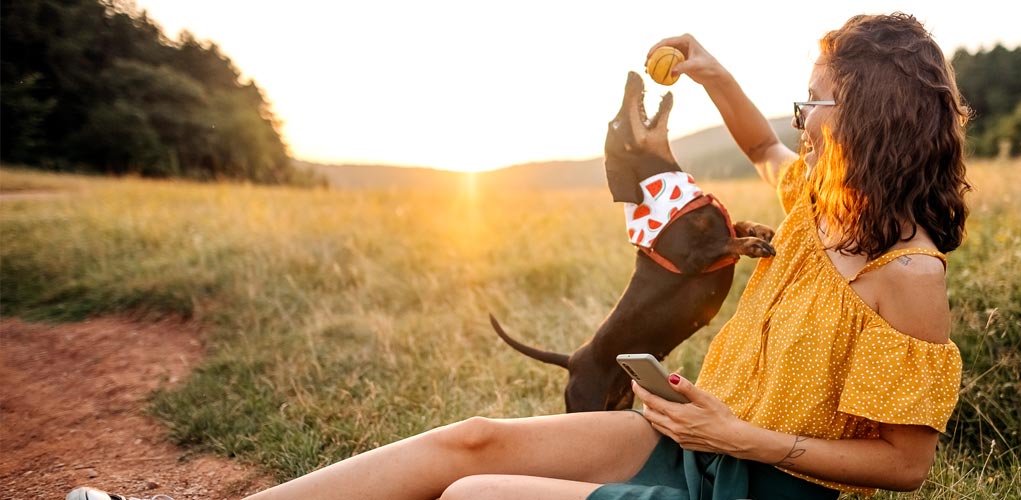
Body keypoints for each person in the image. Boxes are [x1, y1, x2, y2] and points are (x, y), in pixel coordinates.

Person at [70, 12, 970, 500]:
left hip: (766, 496)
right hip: (703, 446)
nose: (797, 119)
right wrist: (708, 70)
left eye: (812, 102)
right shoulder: (819, 208)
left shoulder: (907, 279)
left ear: (866, 118)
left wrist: (740, 436)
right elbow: (762, 149)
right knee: (472, 443)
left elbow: (905, 466)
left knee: (477, 497)